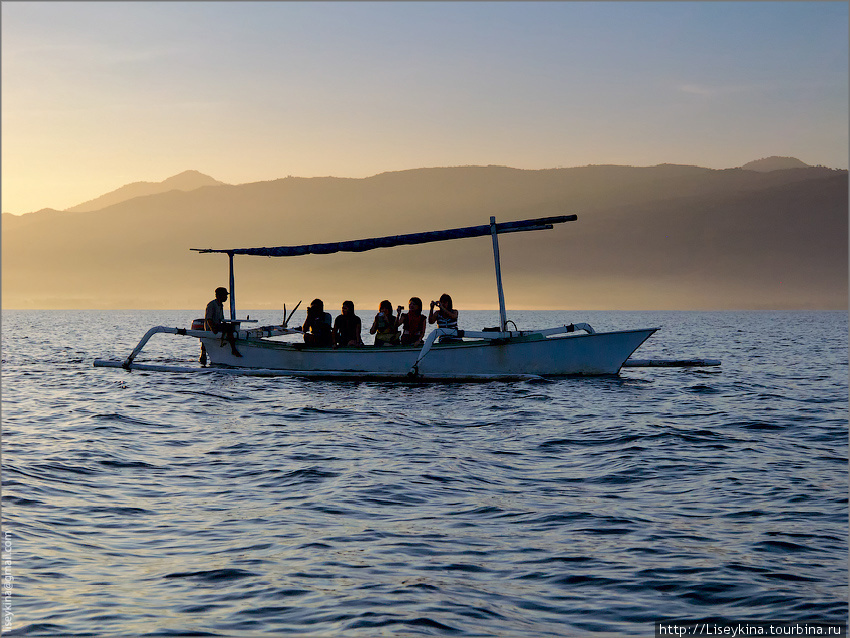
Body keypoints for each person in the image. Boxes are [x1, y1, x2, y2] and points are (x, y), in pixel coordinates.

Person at [203, 287, 241, 358]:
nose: (226, 297)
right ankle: (233, 349)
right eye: (225, 295)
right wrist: (212, 329)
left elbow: (221, 319)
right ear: (219, 296)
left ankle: (230, 343)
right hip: (213, 327)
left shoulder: (220, 305)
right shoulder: (212, 305)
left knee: (231, 327)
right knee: (228, 328)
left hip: (217, 325)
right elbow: (209, 319)